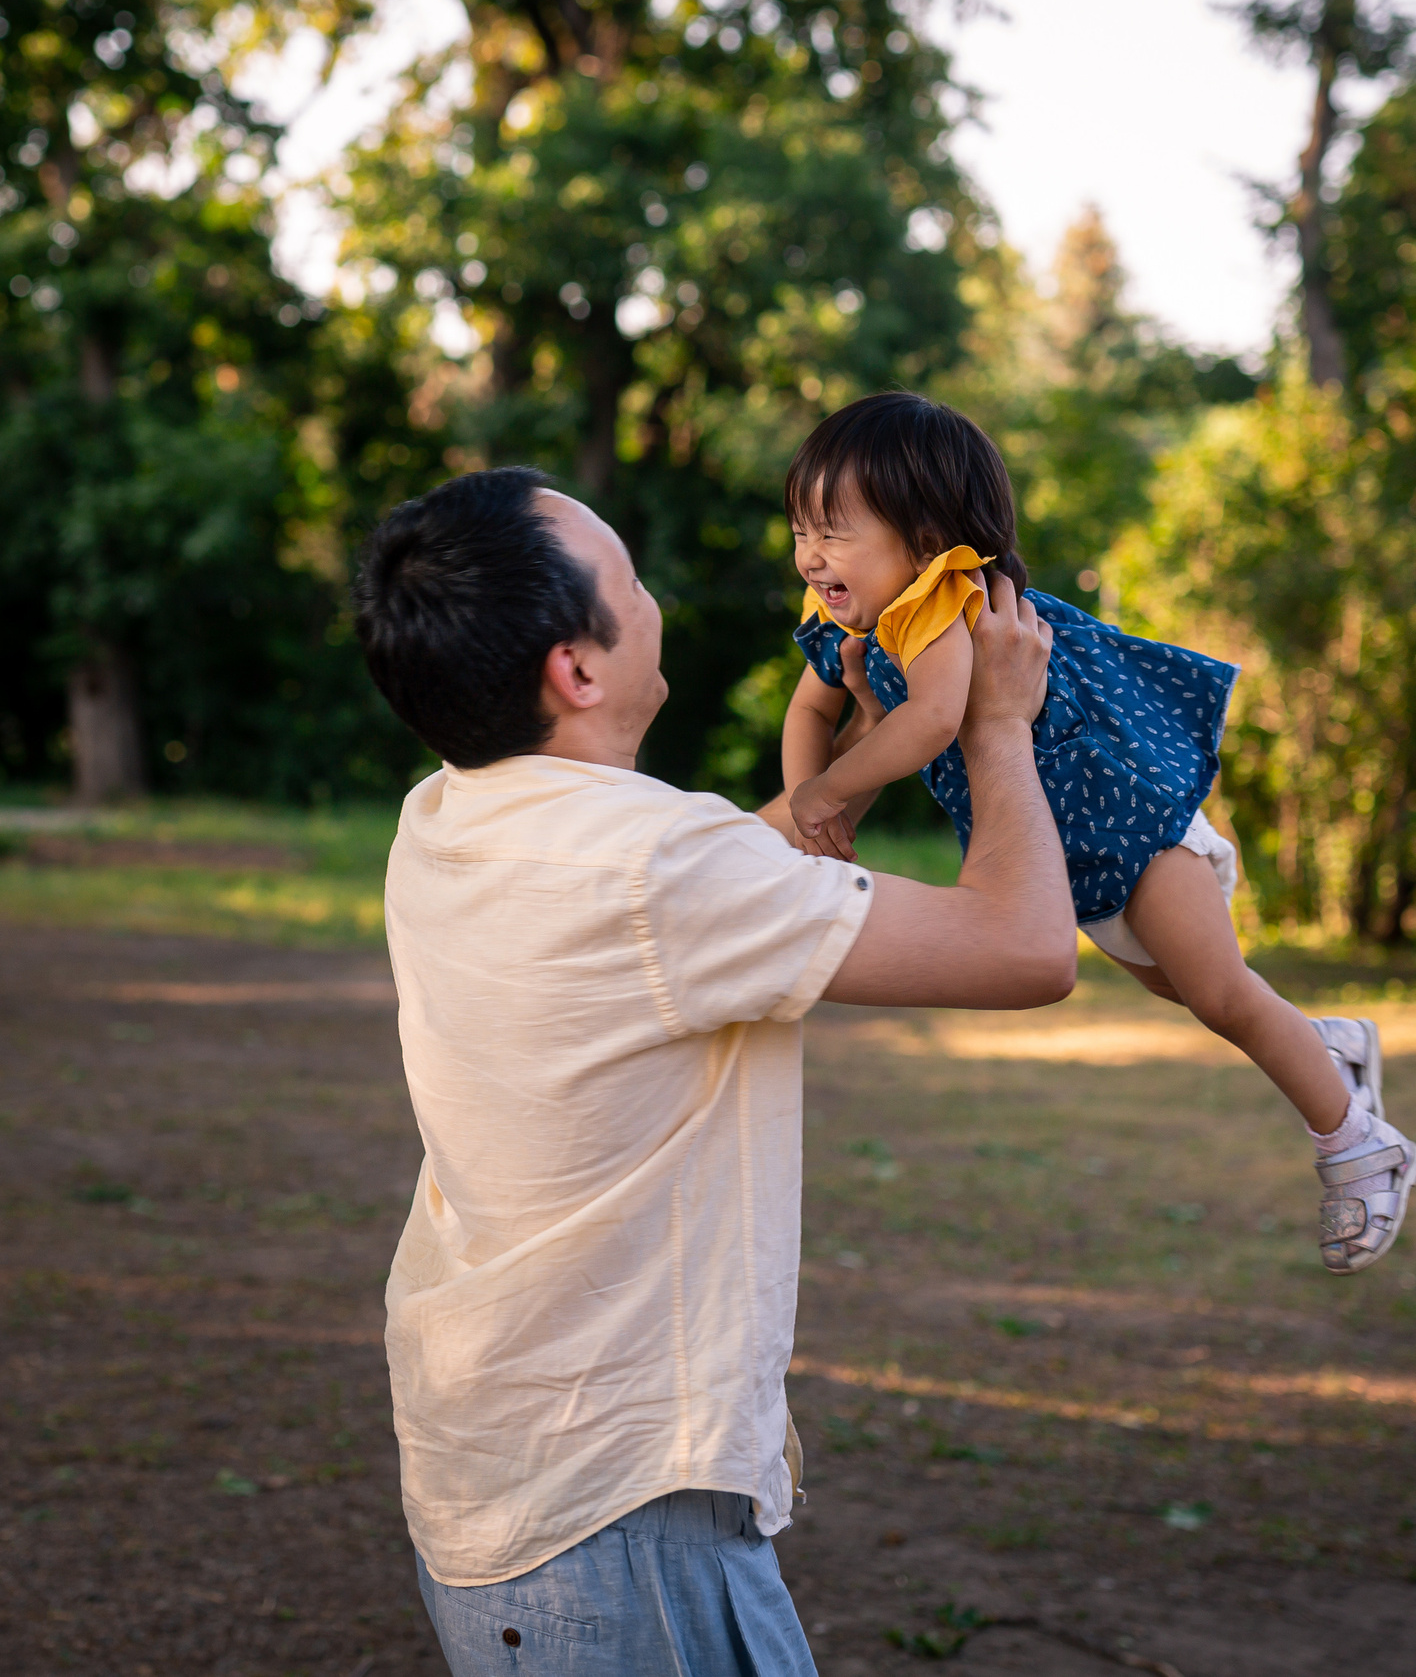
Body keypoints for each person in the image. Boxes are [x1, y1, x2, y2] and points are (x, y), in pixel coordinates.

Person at [350, 465, 1073, 1676]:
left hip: (507, 1457)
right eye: (629, 583)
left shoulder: (448, 813)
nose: (657, 598)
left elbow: (720, 868)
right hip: (613, 1513)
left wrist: (847, 761)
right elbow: (1024, 947)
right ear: (574, 671)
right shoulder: (656, 870)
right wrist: (993, 723)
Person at [775, 390, 1416, 1277]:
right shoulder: (849, 616)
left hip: (1133, 820)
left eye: (835, 531)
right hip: (1074, 854)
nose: (812, 556)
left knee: (1223, 994)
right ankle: (1329, 1044)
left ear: (926, 539)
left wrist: (826, 791)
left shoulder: (941, 603)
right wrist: (805, 798)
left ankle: (1360, 1144)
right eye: (802, 530)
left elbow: (928, 725)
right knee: (1189, 993)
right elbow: (811, 707)